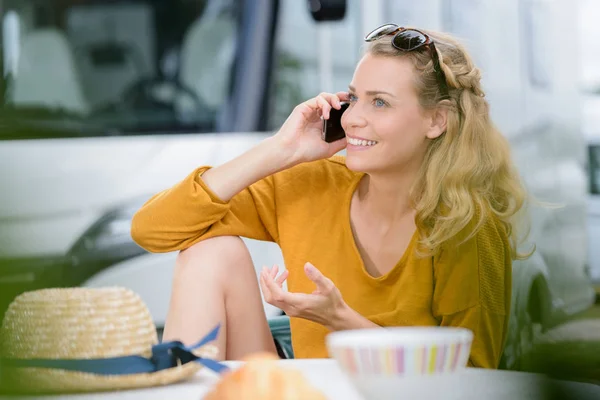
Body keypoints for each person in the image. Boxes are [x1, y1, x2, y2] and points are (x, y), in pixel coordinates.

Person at [131, 24, 530, 369]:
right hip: (304, 388)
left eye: (380, 102)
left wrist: (339, 318)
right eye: (354, 97)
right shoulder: (313, 183)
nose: (353, 117)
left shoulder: (468, 227)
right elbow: (151, 230)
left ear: (437, 120)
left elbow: (472, 378)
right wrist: (278, 151)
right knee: (210, 252)